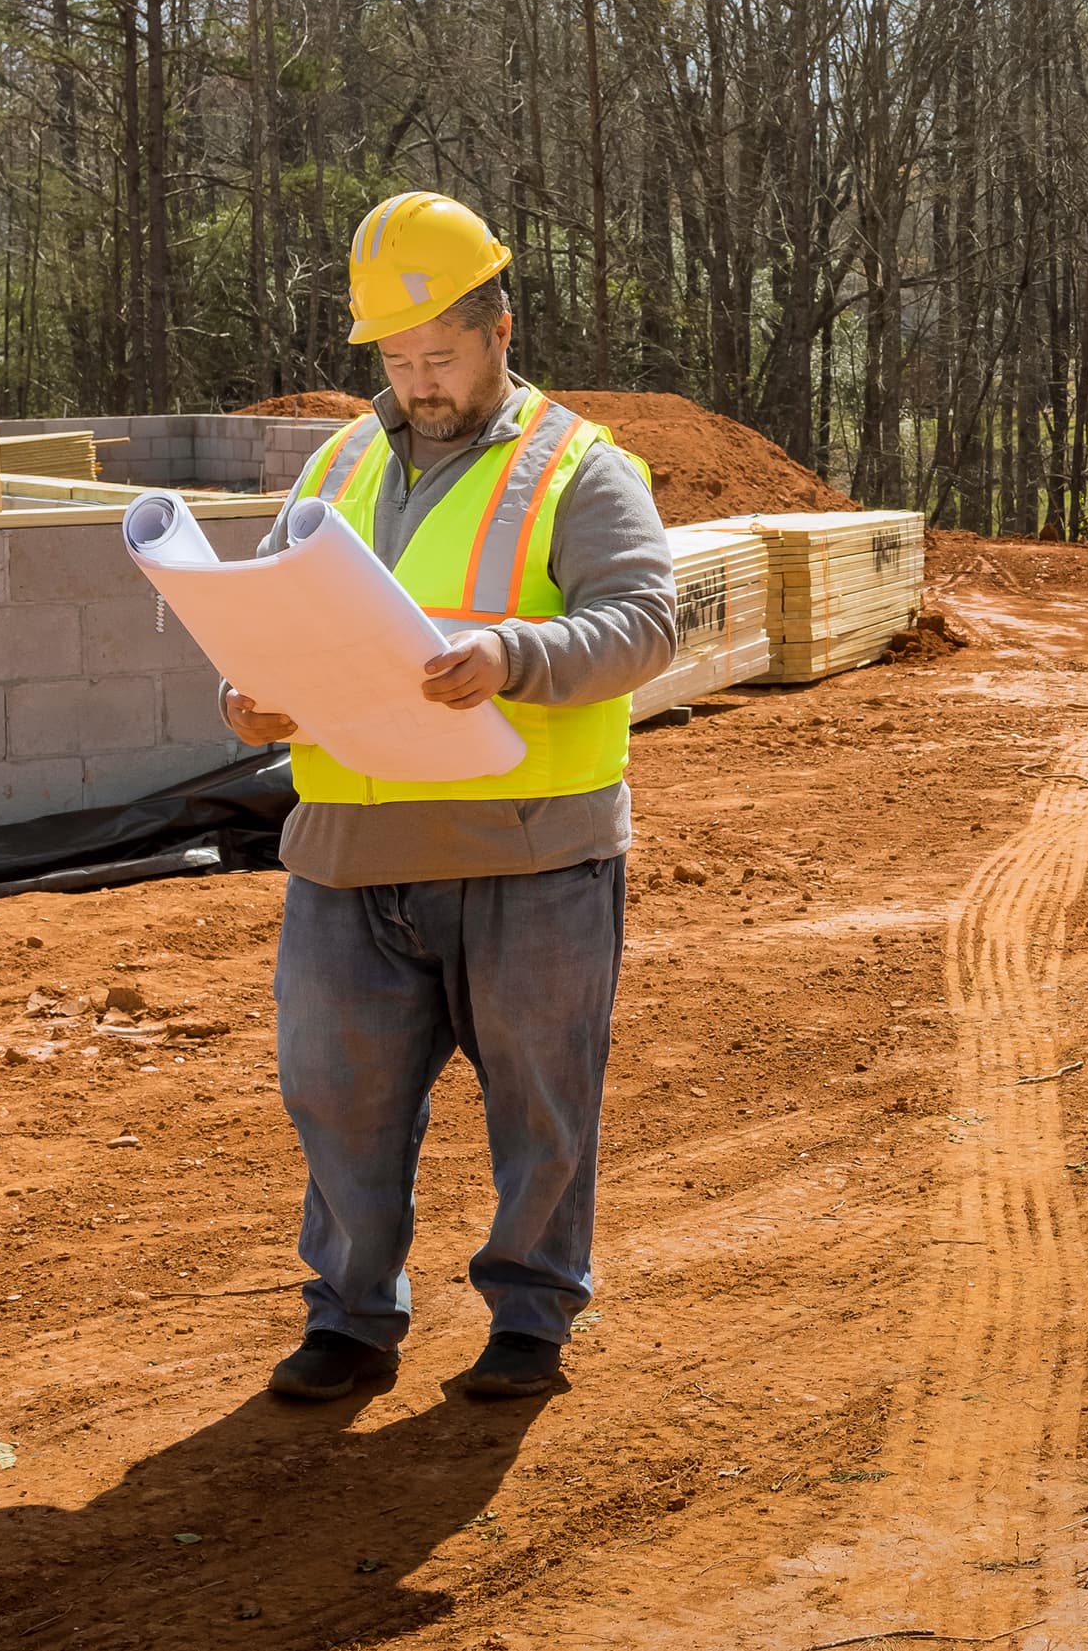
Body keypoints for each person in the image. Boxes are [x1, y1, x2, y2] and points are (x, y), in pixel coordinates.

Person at [219, 191, 676, 1404]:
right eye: (399, 357)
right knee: (338, 1096)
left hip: (532, 852)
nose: (420, 381)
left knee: (541, 1100)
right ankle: (351, 1316)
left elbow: (644, 622)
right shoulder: (336, 462)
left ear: (501, 329)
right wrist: (250, 697)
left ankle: (530, 1315)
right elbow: (274, 617)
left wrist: (513, 658)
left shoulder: (581, 467)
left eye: (442, 353)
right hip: (347, 850)